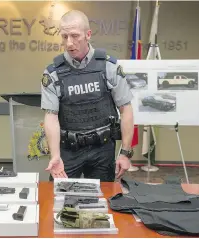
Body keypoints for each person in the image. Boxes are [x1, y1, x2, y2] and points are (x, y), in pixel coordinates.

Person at [40, 10, 134, 182]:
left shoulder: (108, 67)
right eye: (64, 36)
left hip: (102, 149)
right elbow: (51, 116)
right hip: (68, 151)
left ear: (88, 34)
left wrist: (125, 153)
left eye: (75, 36)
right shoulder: (53, 73)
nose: (69, 43)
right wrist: (55, 156)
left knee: (103, 202)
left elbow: (126, 109)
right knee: (59, 201)